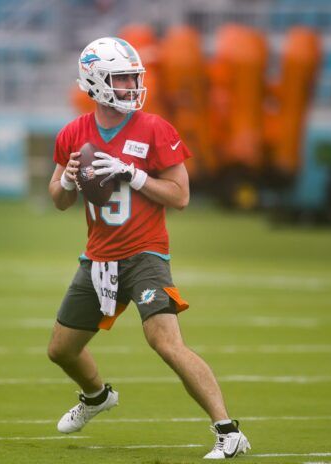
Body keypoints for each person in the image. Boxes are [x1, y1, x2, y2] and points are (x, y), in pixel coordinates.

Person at [47, 36, 251, 459]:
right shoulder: (74, 134)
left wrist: (133, 175)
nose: (130, 86)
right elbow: (59, 199)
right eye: (121, 78)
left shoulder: (155, 129)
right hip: (98, 257)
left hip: (145, 255)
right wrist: (67, 179)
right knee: (61, 350)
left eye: (131, 77)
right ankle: (96, 396)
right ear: (96, 81)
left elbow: (180, 196)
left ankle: (228, 431)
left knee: (165, 342)